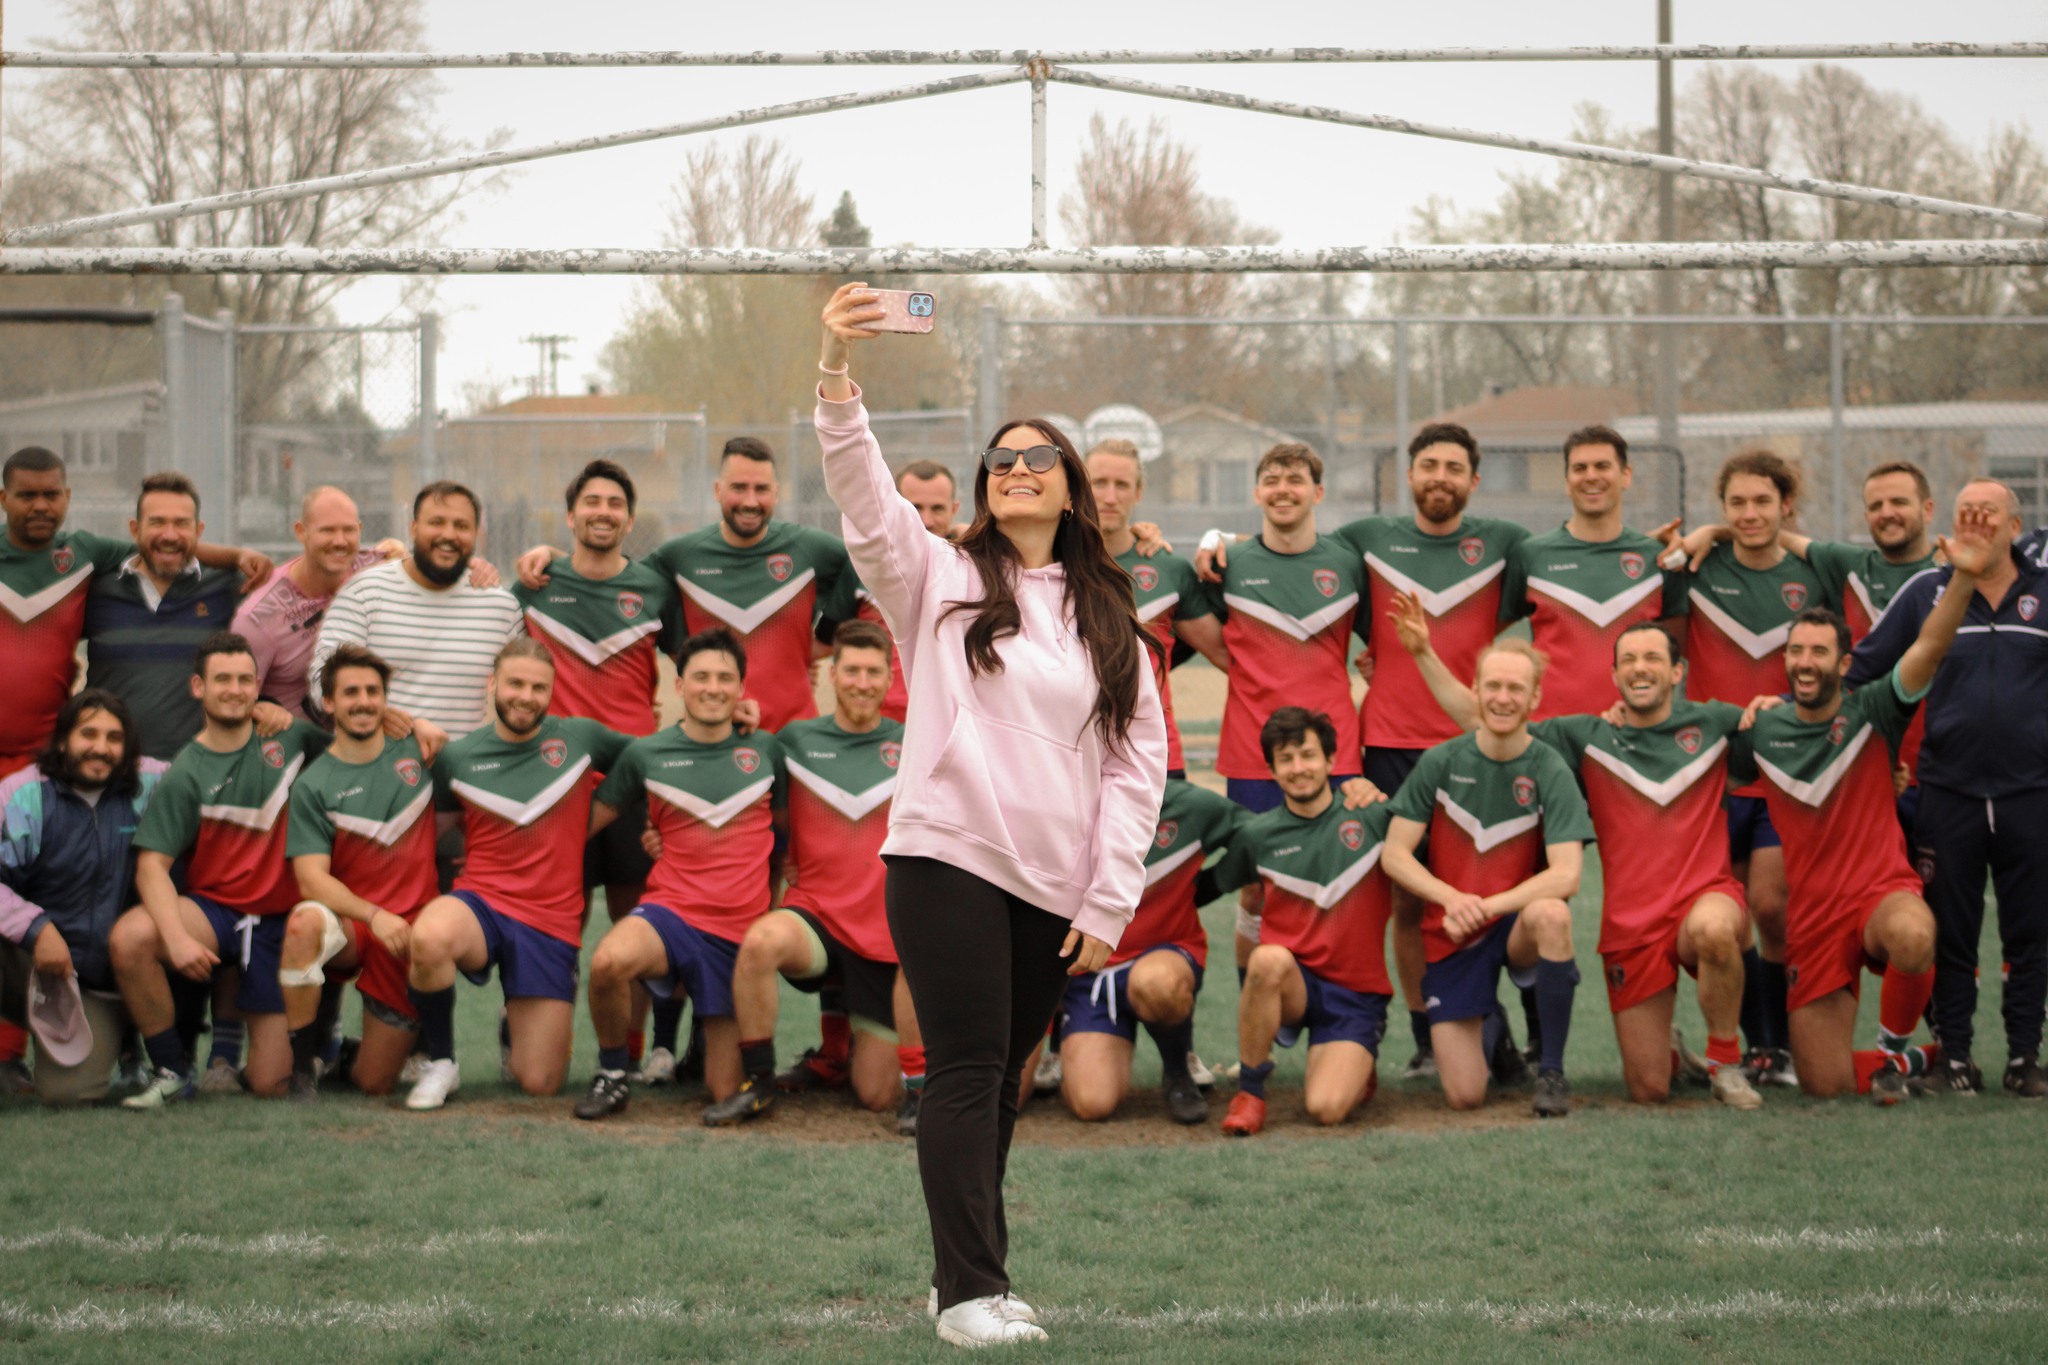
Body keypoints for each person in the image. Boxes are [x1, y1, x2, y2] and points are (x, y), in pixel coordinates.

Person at [817, 282, 1166, 1348]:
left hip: (1054, 884)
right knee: (966, 1072)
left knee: (1003, 1084)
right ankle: (969, 1295)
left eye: (1036, 458)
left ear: (1070, 486)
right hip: (947, 859)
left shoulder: (1111, 616)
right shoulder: (938, 575)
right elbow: (867, 499)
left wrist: (1107, 898)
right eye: (1000, 459)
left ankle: (967, 1278)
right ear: (983, 486)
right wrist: (835, 376)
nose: (1016, 468)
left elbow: (1136, 763)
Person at [1396, 604, 1763, 1110]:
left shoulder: (1716, 722)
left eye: (1652, 659)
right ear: (1613, 675)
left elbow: (1796, 729)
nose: (1640, 668)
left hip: (1705, 899)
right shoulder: (1587, 738)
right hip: (1633, 924)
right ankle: (1671, 1052)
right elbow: (1487, 716)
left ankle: (1726, 1061)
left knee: (1715, 929)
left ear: (1677, 672)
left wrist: (1775, 704)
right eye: (1628, 660)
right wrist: (1423, 653)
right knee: (1649, 1088)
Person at [1733, 584, 1983, 1100]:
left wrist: (1963, 577)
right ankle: (1920, 1058)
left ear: (1845, 664)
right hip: (1814, 919)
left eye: (1819, 652)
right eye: (1796, 651)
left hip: (1878, 894)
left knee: (1913, 934)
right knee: (1826, 1085)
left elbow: (1929, 647)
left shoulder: (1873, 710)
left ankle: (1890, 1056)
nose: (1806, 662)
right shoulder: (1761, 728)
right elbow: (1683, 738)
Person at [1848, 480, 2048, 1098]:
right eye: (1967, 515)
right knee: (1951, 933)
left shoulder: (2043, 592)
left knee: (2031, 933)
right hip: (1947, 791)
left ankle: (2024, 1058)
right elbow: (1861, 675)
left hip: (2032, 794)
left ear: (2015, 528)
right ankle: (1954, 1057)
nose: (1977, 525)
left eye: (1989, 516)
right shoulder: (1926, 592)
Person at [692, 623, 921, 1129]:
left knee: (876, 1095)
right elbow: (748, 792)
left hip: (883, 933)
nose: (862, 683)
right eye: (852, 671)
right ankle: (758, 1083)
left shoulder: (913, 746)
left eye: (874, 672)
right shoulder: (793, 741)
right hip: (816, 916)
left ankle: (846, 1053)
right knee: (761, 942)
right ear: (832, 674)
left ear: (890, 681)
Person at [401, 640, 630, 1111]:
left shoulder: (581, 738)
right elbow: (434, 833)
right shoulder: (457, 756)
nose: (526, 696)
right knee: (430, 936)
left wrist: (592, 820)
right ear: (493, 684)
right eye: (515, 684)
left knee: (539, 1082)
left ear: (552, 691)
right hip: (482, 903)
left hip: (550, 919)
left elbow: (651, 761)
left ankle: (515, 1020)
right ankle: (442, 1061)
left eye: (538, 687)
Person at [571, 628, 786, 1121]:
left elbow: (790, 834)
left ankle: (703, 1037)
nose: (713, 687)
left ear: (741, 688)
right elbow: (580, 827)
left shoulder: (767, 750)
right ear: (679, 685)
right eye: (701, 677)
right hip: (672, 913)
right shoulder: (646, 754)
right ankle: (612, 1072)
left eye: (725, 679)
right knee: (608, 962)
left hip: (739, 934)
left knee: (724, 1090)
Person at [1666, 450, 1832, 1086]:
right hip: (1711, 774)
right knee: (1725, 920)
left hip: (1784, 776)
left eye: (1763, 501)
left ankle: (1778, 1045)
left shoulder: (1813, 575)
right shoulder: (1699, 568)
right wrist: (1702, 538)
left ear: (1786, 505)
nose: (1749, 513)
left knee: (1770, 907)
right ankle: (1746, 1046)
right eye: (1736, 503)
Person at [510, 459, 681, 1076]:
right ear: (570, 514)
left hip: (634, 785)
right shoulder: (535, 582)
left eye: (615, 504)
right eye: (592, 502)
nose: (603, 512)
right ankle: (531, 1036)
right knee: (561, 919)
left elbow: (694, 663)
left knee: (637, 918)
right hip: (555, 784)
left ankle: (634, 1052)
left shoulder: (654, 589)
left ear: (630, 520)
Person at [108, 632, 330, 1106]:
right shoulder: (185, 772)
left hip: (282, 920)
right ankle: (171, 1069)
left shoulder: (292, 736)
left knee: (271, 1083)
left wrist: (408, 723)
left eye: (245, 680)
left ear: (258, 687)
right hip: (217, 914)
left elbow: (356, 749)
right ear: (198, 687)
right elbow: (151, 867)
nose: (235, 689)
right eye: (222, 680)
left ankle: (326, 1048)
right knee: (130, 938)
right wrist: (176, 939)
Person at [1381, 639, 1595, 1118]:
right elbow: (1395, 854)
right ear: (1474, 690)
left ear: (1535, 697)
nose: (1503, 698)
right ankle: (1492, 1025)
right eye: (1493, 686)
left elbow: (1566, 875)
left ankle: (1551, 1072)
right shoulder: (1441, 761)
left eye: (1516, 688)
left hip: (1512, 923)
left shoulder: (1550, 767)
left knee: (1552, 914)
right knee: (1464, 1096)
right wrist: (1452, 898)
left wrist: (1486, 906)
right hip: (1456, 929)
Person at [1210, 708, 1396, 1136]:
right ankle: (1250, 1093)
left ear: (1331, 760)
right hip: (1294, 984)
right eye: (1286, 759)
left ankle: (1359, 1062)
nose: (1298, 768)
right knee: (1268, 959)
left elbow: (1426, 850)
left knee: (1326, 1109)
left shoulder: (1373, 817)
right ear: (1272, 770)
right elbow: (1205, 890)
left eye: (1308, 755)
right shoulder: (1258, 835)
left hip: (1355, 994)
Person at [281, 645, 444, 1099]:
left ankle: (352, 1054)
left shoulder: (419, 752)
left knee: (372, 1083)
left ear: (386, 701)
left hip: (410, 934)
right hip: (357, 926)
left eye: (373, 692)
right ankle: (302, 1068)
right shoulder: (313, 784)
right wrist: (374, 915)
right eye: (350, 692)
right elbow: (311, 879)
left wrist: (420, 723)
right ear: (328, 702)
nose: (363, 701)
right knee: (303, 923)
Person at [1050, 773, 1246, 1127]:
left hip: (1162, 955)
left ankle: (1178, 1072)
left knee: (1156, 983)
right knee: (1091, 1103)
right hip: (1091, 972)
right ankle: (1059, 1047)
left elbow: (1257, 835)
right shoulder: (1060, 799)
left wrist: (1209, 886)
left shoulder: (1187, 804)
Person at [0, 691, 167, 1103]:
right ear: (62, 741)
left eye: (114, 738)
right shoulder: (24, 795)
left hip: (102, 983)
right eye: (88, 734)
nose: (101, 748)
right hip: (33, 962)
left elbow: (213, 767)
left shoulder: (153, 784)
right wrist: (38, 930)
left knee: (69, 1095)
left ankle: (124, 1035)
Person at [310, 481, 524, 744]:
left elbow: (525, 690)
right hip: (384, 765)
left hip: (471, 766)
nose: (448, 534)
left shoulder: (502, 608)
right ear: (413, 528)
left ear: (477, 534)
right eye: (436, 522)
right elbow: (321, 683)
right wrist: (377, 714)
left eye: (461, 526)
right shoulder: (363, 594)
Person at [83, 473, 276, 763]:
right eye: (157, 522)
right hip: (111, 771)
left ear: (199, 531)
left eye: (181, 524)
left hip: (197, 772)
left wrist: (270, 703)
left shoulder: (230, 589)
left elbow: (276, 652)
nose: (170, 535)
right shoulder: (96, 590)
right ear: (135, 529)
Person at [1500, 426, 1683, 720]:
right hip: (1551, 732)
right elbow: (1486, 633)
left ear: (1626, 476)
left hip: (1633, 732)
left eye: (1602, 466)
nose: (1590, 476)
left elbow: (1678, 647)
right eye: (1579, 468)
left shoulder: (1657, 558)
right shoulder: (1531, 555)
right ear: (1567, 481)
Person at [1087, 438, 1230, 780]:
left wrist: (1223, 540)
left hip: (1155, 756)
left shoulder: (1168, 569)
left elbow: (1229, 656)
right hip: (1073, 757)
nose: (1110, 497)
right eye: (1099, 483)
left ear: (1138, 493)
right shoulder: (1048, 560)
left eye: (1122, 485)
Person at [232, 487, 391, 723]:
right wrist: (261, 710)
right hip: (296, 741)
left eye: (348, 530)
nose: (340, 541)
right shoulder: (260, 619)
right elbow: (231, 698)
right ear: (301, 531)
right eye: (327, 530)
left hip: (370, 731)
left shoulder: (376, 568)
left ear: (360, 530)